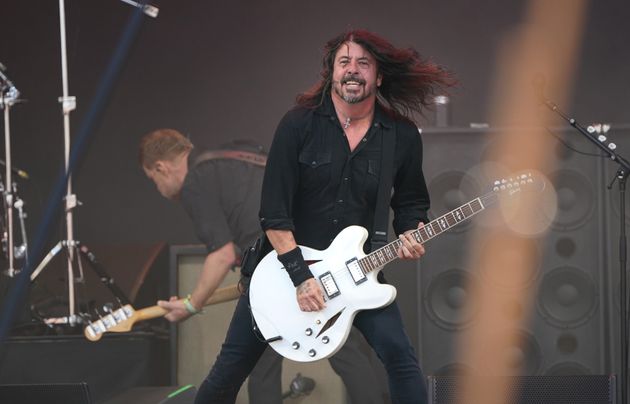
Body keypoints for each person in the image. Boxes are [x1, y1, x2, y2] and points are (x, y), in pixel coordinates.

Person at [195, 29, 453, 404]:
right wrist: (301, 277)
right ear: (331, 72)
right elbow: (273, 213)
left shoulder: (400, 135)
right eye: (344, 62)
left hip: (358, 271)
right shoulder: (298, 125)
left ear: (378, 76)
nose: (353, 71)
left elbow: (412, 201)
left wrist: (413, 230)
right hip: (282, 272)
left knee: (400, 358)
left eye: (363, 63)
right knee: (231, 367)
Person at [139, 129, 390, 404]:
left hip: (276, 266)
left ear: (161, 167)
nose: (160, 191)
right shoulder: (237, 155)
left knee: (261, 363)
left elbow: (221, 254)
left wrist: (192, 304)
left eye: (153, 180)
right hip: (319, 252)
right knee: (346, 347)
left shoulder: (195, 182)